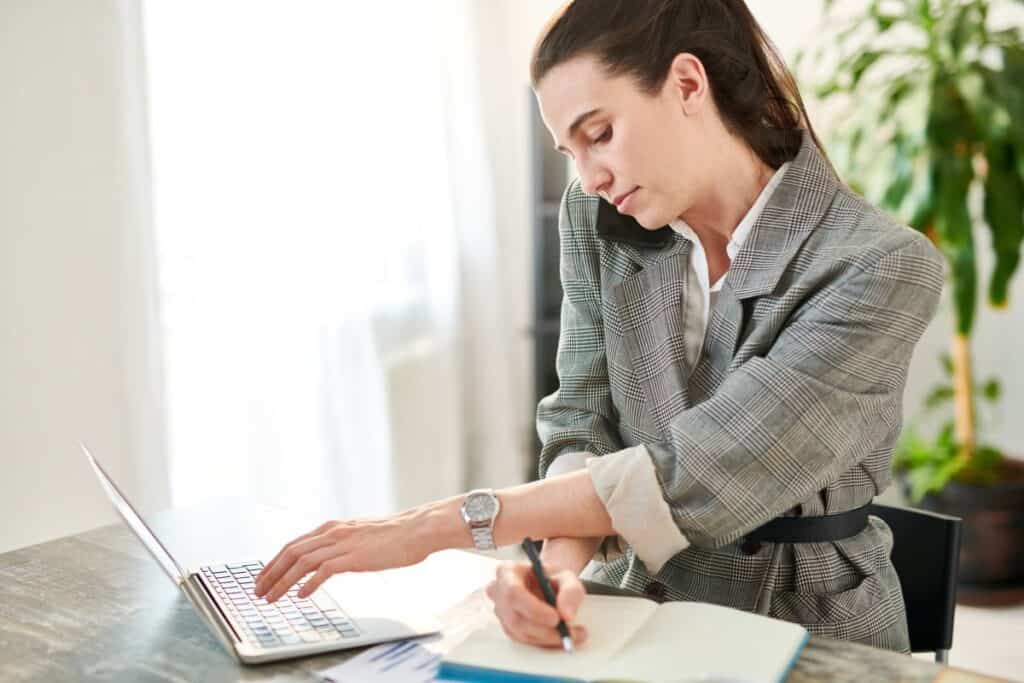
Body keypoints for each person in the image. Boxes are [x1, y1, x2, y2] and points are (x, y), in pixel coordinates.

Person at [254, 0, 945, 654]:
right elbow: (581, 417)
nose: (587, 178)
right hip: (631, 609)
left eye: (599, 135)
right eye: (569, 152)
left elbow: (695, 471)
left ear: (686, 83)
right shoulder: (598, 226)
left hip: (806, 628)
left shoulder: (882, 266)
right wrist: (560, 567)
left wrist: (435, 525)